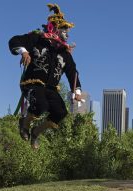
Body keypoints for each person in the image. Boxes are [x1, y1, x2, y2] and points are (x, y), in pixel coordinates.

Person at [8, 3, 82, 149]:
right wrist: (23, 51)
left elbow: (72, 71)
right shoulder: (37, 38)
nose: (67, 34)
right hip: (32, 83)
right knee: (41, 105)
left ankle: (36, 132)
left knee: (60, 112)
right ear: (55, 27)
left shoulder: (64, 53)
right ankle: (24, 123)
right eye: (64, 29)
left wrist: (77, 91)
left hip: (51, 88)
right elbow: (14, 40)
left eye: (68, 31)